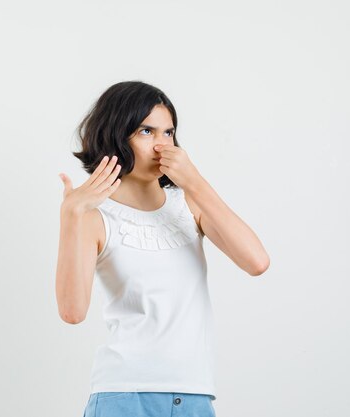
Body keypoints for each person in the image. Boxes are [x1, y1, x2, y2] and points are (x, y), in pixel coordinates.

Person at [55, 80, 270, 417]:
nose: (161, 145)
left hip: (195, 395)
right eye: (146, 131)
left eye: (168, 133)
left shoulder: (190, 205)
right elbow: (72, 312)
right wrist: (71, 214)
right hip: (122, 396)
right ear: (116, 135)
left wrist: (194, 181)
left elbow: (256, 261)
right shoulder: (94, 217)